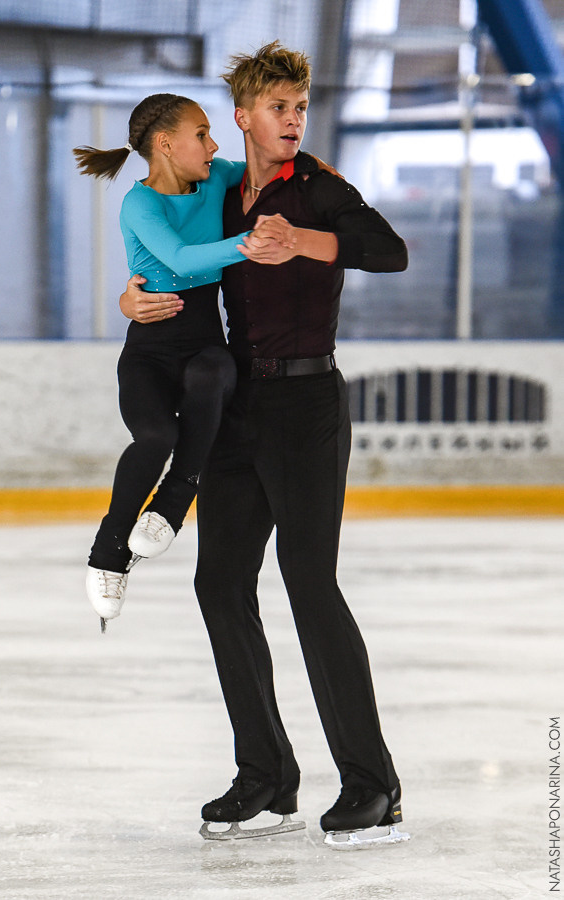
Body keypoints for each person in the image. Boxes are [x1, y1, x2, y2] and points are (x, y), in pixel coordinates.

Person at [119, 43, 410, 847]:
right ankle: (267, 778)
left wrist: (303, 242)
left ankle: (372, 786)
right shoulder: (215, 192)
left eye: (299, 108)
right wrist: (132, 296)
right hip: (233, 405)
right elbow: (164, 249)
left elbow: (389, 252)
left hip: (307, 403)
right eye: (277, 109)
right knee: (219, 584)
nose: (291, 121)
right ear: (242, 118)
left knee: (309, 585)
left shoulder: (317, 187)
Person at [73, 93, 295, 632]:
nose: (213, 143)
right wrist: (249, 242)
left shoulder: (218, 176)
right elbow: (178, 258)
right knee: (154, 437)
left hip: (201, 341)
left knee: (215, 373)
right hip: (148, 351)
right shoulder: (139, 204)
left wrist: (311, 166)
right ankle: (108, 553)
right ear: (166, 145)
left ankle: (176, 497)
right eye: (202, 133)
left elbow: (274, 168)